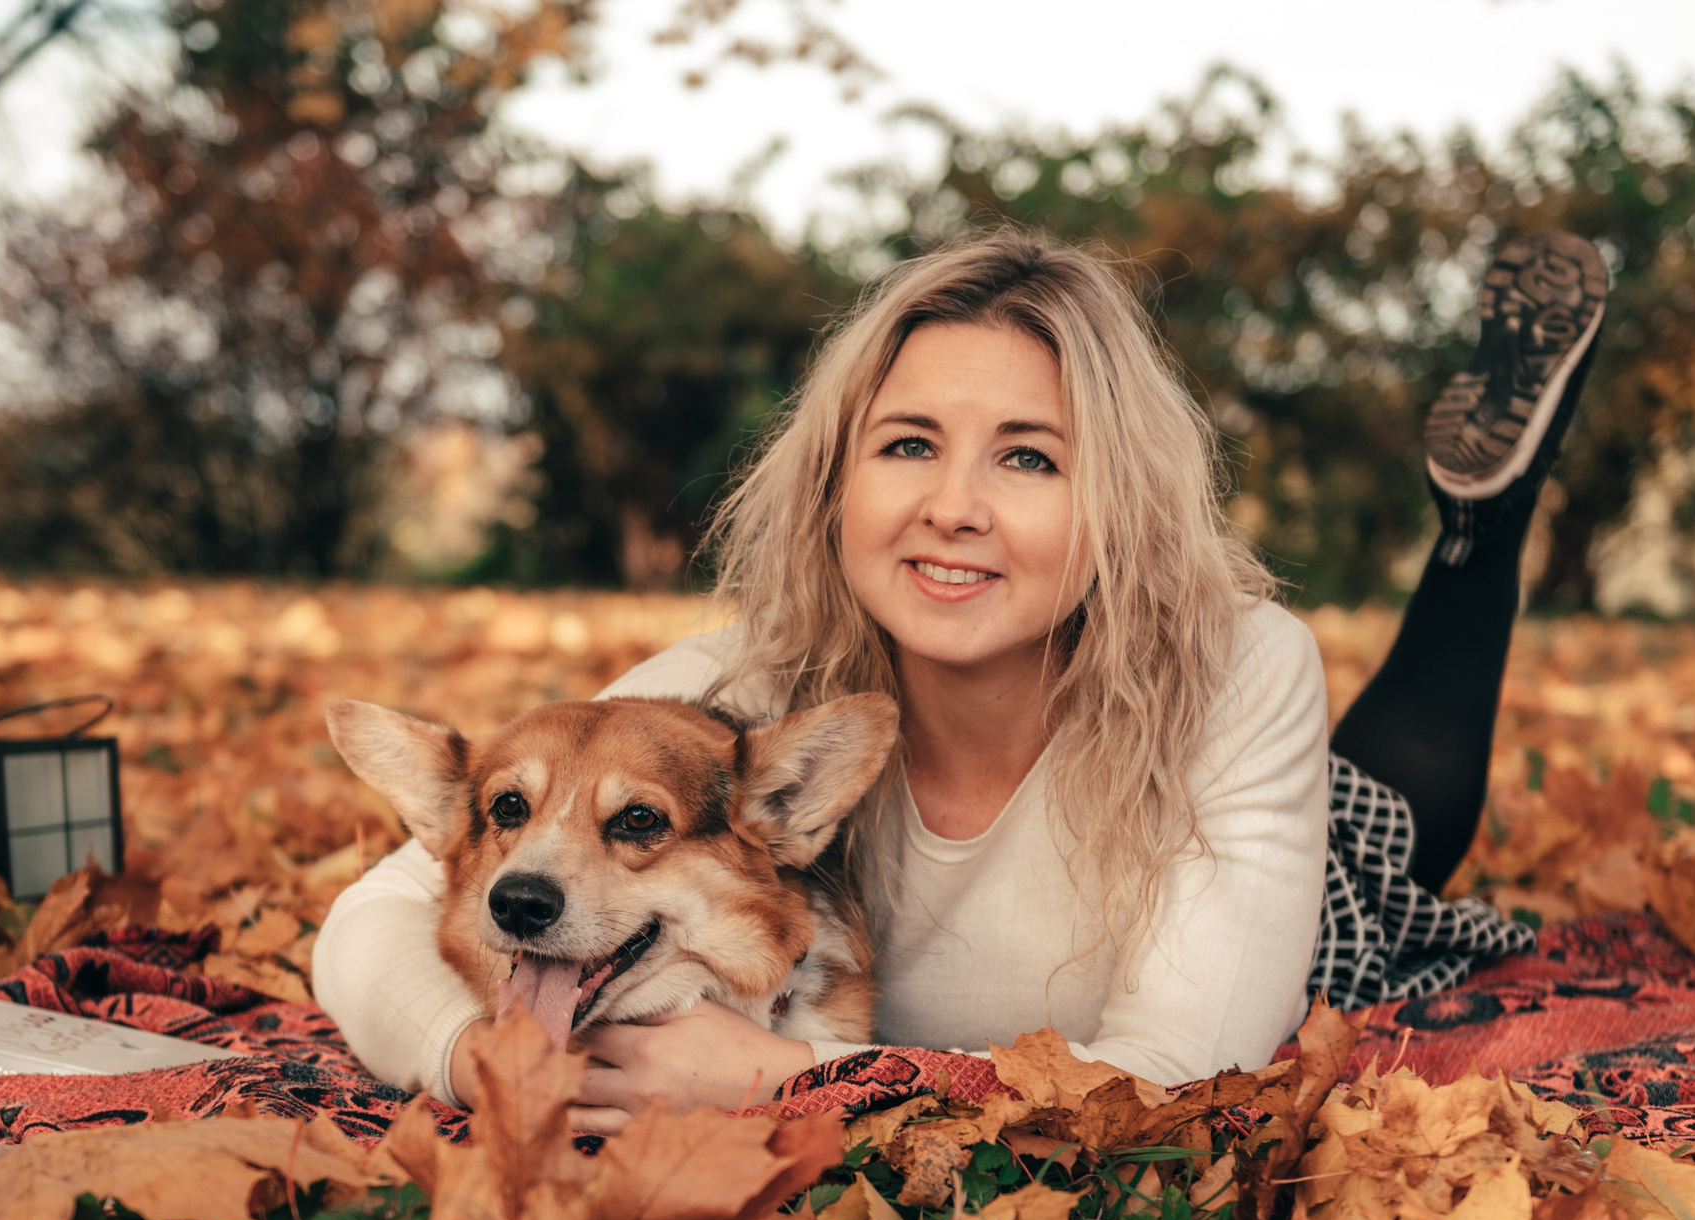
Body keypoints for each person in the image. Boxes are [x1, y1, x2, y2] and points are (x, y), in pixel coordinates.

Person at [315, 226, 1607, 1135]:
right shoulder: (714, 708)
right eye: (910, 444)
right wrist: (475, 1060)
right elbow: (377, 924)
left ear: (1119, 502)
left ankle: (1477, 531)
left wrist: (785, 1082)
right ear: (837, 479)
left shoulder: (1235, 670)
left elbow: (1178, 1075)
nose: (953, 508)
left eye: (1030, 460)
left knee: (1397, 821)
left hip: (1285, 895)